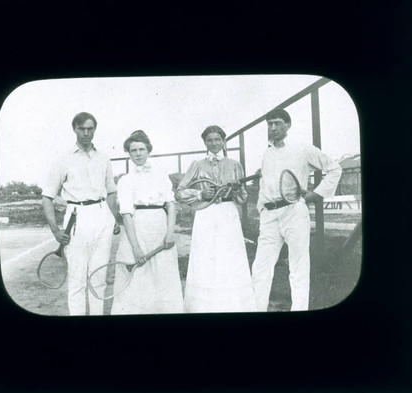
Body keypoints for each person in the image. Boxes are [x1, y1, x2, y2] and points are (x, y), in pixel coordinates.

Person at [252, 108, 342, 312]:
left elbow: (335, 168)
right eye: (269, 124)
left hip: (294, 212)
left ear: (288, 125)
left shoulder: (302, 148)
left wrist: (316, 194)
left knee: (299, 266)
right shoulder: (266, 153)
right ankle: (256, 310)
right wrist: (262, 210)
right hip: (269, 216)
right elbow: (265, 185)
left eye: (277, 123)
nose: (273, 128)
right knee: (261, 267)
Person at [41, 112, 120, 316]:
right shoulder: (62, 159)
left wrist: (114, 218)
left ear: (95, 129)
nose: (86, 133)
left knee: (100, 277)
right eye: (82, 128)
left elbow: (111, 191)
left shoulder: (103, 157)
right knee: (77, 280)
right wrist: (55, 230)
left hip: (102, 216)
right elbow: (47, 197)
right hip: (76, 217)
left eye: (90, 128)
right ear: (74, 129)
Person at [175, 125, 257, 313]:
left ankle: (232, 306)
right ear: (205, 142)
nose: (214, 143)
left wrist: (237, 190)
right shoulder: (197, 164)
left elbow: (242, 198)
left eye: (217, 139)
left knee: (229, 258)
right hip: (206, 214)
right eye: (209, 140)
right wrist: (200, 193)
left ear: (223, 141)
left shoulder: (235, 164)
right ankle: (204, 307)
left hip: (228, 215)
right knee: (206, 258)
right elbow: (179, 192)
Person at [111, 131, 184, 315]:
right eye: (133, 150)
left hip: (160, 226)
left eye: (141, 149)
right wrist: (135, 247)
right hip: (137, 229)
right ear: (128, 153)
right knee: (137, 277)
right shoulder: (125, 181)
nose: (138, 153)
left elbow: (170, 204)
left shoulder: (161, 175)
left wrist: (170, 233)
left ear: (148, 150)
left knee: (163, 274)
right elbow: (126, 214)